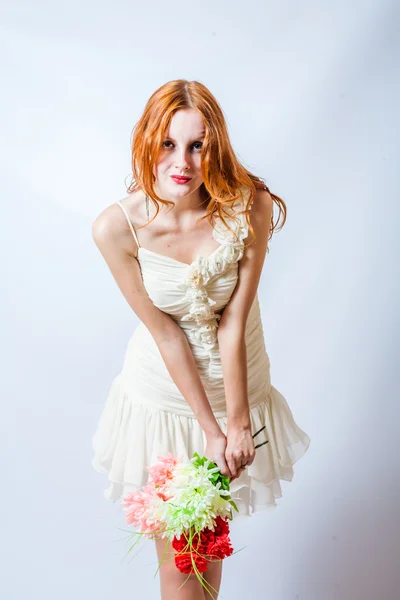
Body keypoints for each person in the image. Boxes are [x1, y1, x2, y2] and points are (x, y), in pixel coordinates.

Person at [91, 79, 310, 599]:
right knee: (184, 566)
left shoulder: (248, 206)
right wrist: (210, 431)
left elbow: (234, 318)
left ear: (216, 145)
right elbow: (165, 331)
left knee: (209, 554)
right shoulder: (115, 229)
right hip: (166, 399)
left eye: (197, 145)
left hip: (239, 389)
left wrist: (236, 423)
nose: (181, 162)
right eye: (168, 143)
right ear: (146, 140)